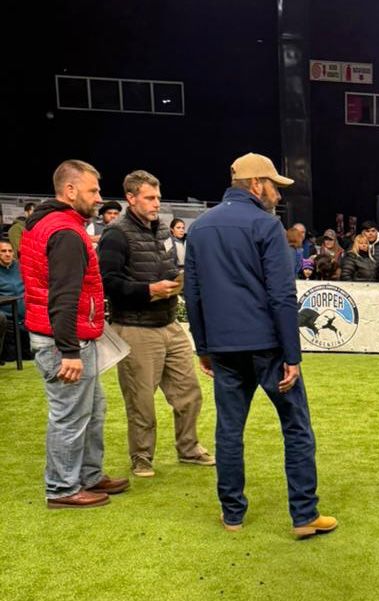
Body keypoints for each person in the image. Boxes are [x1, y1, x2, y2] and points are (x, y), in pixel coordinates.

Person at [183, 152, 336, 538]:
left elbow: (193, 293)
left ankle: (232, 514)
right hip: (268, 346)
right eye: (273, 186)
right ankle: (304, 515)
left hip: (223, 348)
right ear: (256, 185)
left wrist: (203, 347)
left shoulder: (199, 228)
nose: (277, 196)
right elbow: (282, 296)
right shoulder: (266, 227)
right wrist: (292, 356)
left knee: (229, 431)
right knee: (297, 428)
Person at [20, 160, 129, 508]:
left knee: (93, 409)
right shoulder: (65, 232)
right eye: (93, 190)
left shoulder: (55, 225)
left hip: (67, 336)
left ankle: (89, 475)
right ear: (70, 191)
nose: (99, 197)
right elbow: (64, 298)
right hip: (65, 340)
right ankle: (62, 489)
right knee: (70, 415)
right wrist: (69, 351)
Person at [99, 170, 213, 478]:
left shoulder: (162, 229)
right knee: (141, 400)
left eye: (158, 197)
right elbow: (107, 282)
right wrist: (148, 290)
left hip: (168, 322)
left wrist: (176, 282)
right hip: (135, 326)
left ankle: (188, 448)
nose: (156, 203)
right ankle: (142, 458)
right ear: (131, 198)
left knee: (189, 393)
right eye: (150, 198)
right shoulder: (116, 233)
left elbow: (165, 265)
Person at [0, 239, 29, 363]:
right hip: (7, 321)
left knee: (30, 357)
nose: (7, 254)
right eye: (3, 251)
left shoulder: (21, 267)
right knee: (11, 358)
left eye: (10, 251)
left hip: (26, 319)